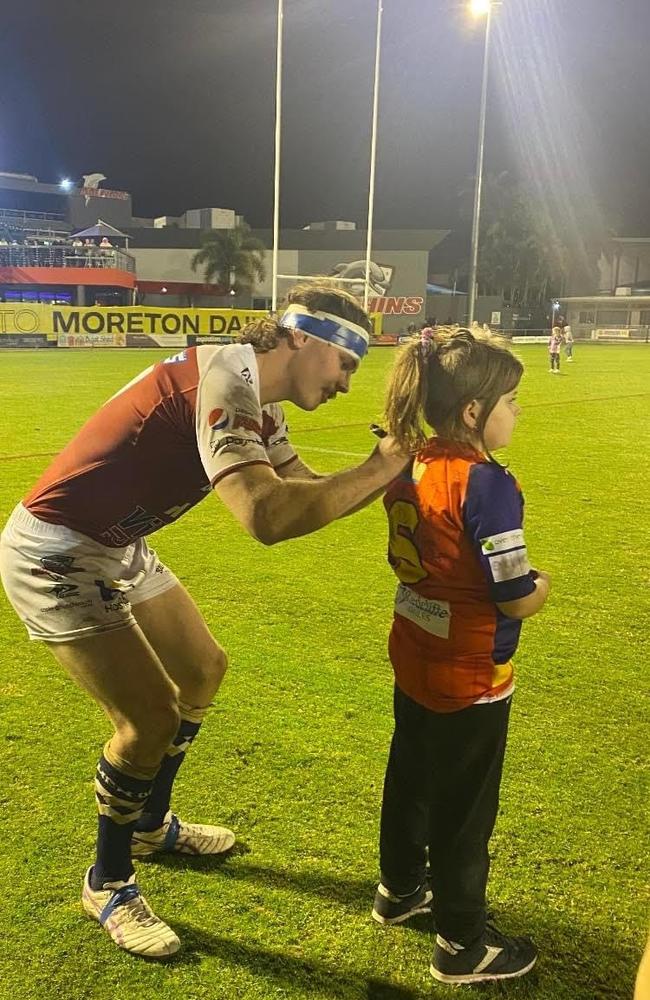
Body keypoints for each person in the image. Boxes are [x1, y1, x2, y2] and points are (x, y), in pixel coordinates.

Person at [0, 281, 407, 960]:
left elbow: (307, 491)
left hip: (112, 542)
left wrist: (390, 472)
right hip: (58, 551)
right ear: (302, 338)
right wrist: (379, 468)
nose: (344, 385)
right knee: (150, 720)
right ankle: (108, 879)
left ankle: (148, 824)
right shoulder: (227, 382)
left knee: (203, 669)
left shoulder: (256, 396)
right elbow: (267, 517)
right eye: (346, 366)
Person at [370, 328, 551, 985]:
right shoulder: (486, 483)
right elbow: (511, 596)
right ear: (473, 411)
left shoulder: (407, 459)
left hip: (414, 654)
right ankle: (461, 943)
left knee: (410, 779)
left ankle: (398, 892)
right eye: (509, 399)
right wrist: (544, 589)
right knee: (465, 810)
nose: (517, 411)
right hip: (472, 673)